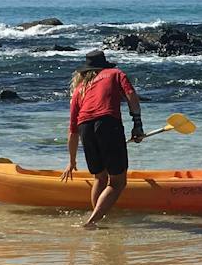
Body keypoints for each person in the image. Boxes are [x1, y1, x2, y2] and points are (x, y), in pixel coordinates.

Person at [61, 50, 145, 228]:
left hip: (85, 129)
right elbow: (132, 96)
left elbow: (72, 130)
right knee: (118, 182)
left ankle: (98, 217)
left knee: (100, 178)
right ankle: (92, 221)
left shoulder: (79, 90)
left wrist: (71, 160)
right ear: (104, 64)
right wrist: (137, 124)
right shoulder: (116, 74)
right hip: (107, 123)